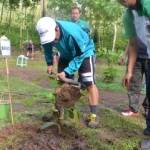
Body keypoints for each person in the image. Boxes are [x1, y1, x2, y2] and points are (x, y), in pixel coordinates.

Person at [36, 17, 99, 128]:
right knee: (61, 82)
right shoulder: (45, 30)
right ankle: (57, 111)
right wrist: (49, 63)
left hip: (84, 53)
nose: (51, 41)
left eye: (52, 37)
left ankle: (93, 115)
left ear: (57, 29)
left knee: (88, 83)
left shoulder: (72, 34)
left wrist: (67, 71)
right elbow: (47, 47)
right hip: (66, 54)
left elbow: (80, 55)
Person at [118, 0, 150, 135]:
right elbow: (132, 44)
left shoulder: (147, 5)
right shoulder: (128, 16)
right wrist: (129, 71)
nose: (121, 1)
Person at [119, 43, 146, 116]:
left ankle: (147, 107)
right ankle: (133, 109)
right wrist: (125, 54)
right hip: (136, 57)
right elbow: (132, 41)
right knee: (133, 83)